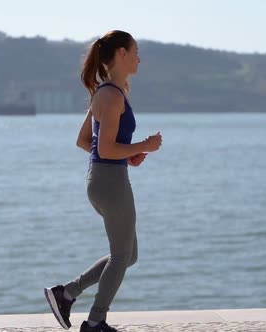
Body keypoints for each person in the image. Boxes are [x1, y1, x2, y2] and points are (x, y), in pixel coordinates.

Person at [44, 30, 162, 332]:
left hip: (104, 178)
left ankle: (66, 293)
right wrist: (142, 146)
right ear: (121, 53)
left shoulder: (108, 92)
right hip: (110, 182)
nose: (139, 58)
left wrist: (127, 156)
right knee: (122, 255)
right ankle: (95, 321)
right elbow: (104, 148)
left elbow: (86, 141)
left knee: (127, 255)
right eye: (135, 51)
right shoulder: (109, 95)